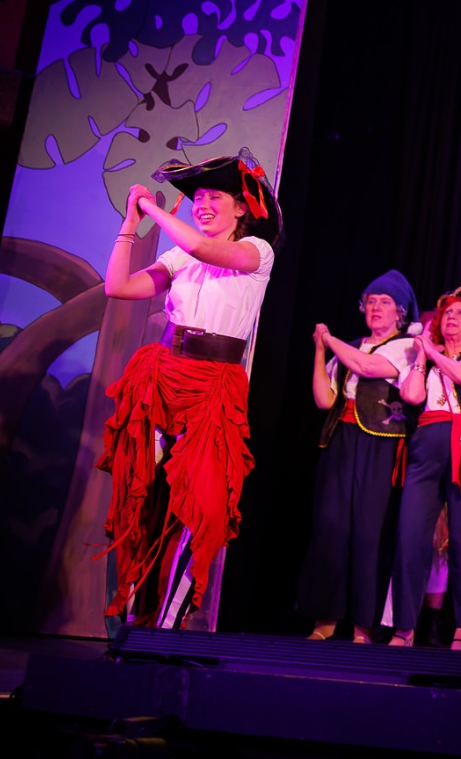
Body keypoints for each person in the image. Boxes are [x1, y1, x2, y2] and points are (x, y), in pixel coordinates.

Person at [97, 148, 281, 628]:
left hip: (214, 385)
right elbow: (117, 286)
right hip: (165, 376)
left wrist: (151, 206)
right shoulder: (180, 255)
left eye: (213, 197)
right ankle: (133, 615)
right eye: (197, 198)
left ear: (240, 208)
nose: (202, 204)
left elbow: (203, 249)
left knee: (200, 507)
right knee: (144, 495)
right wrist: (129, 225)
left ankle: (168, 624)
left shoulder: (256, 252)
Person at [296, 271, 416, 642]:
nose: (376, 307)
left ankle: (363, 625)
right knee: (331, 527)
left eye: (385, 302)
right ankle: (325, 621)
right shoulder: (349, 346)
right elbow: (325, 400)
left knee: (370, 530)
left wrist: (329, 340)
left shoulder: (405, 347)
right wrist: (320, 351)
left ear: (400, 312)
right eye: (371, 301)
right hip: (342, 440)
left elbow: (367, 367)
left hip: (381, 444)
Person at [390, 288, 461, 648]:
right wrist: (422, 356)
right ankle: (404, 628)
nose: (451, 317)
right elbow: (412, 396)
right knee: (409, 536)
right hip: (426, 442)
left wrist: (432, 351)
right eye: (446, 313)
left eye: (459, 313)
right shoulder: (422, 355)